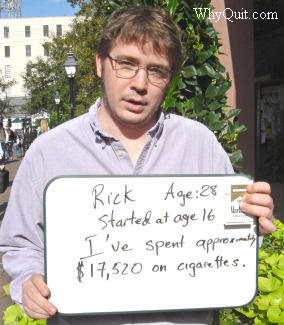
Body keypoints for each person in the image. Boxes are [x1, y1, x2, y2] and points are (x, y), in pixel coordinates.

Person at [0, 6, 275, 325]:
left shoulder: (201, 146)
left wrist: (253, 225)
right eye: (126, 64)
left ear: (169, 78)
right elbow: (19, 243)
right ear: (100, 64)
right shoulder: (48, 152)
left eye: (156, 70)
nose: (140, 84)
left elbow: (227, 245)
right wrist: (28, 280)